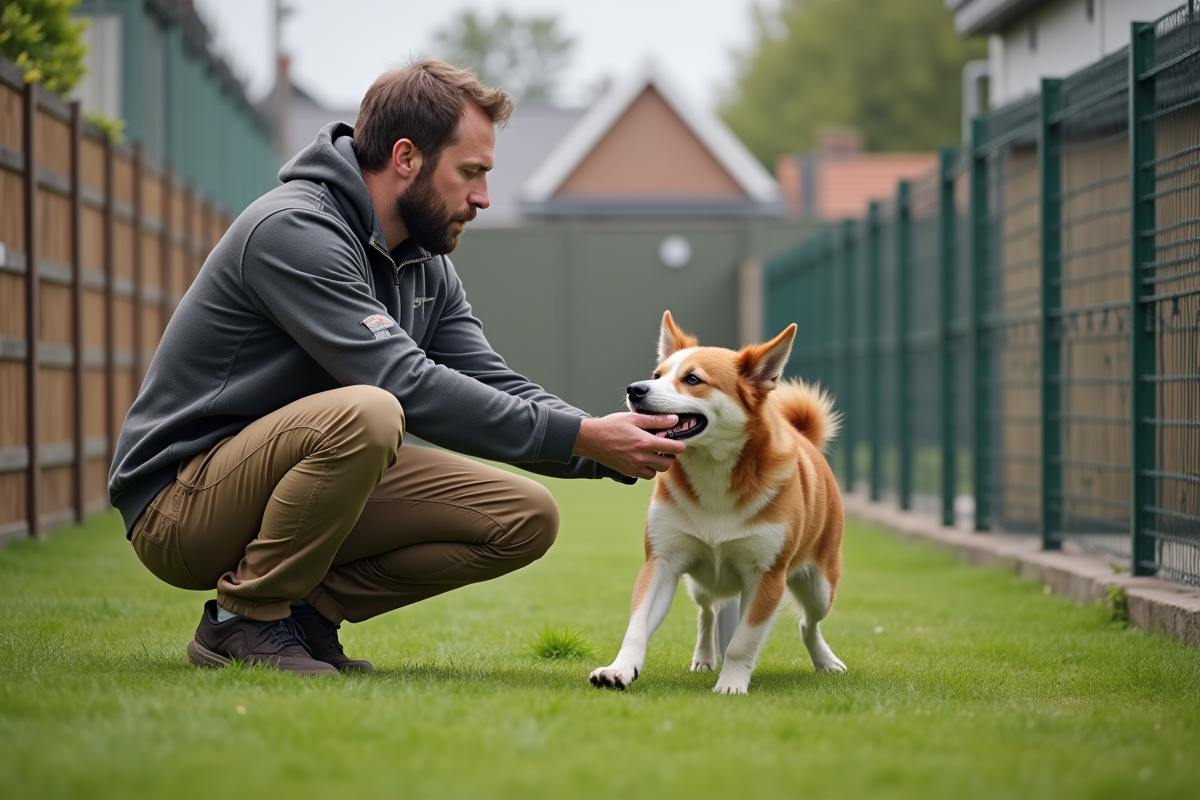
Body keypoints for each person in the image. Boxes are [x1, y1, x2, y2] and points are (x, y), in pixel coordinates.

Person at [108, 60, 686, 675]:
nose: (483, 198)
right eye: (471, 173)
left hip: (294, 481)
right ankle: (242, 620)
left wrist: (607, 444)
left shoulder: (423, 262)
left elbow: (491, 380)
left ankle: (302, 617)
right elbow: (402, 383)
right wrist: (586, 438)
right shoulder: (294, 230)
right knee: (373, 409)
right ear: (406, 157)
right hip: (180, 505)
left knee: (525, 518)